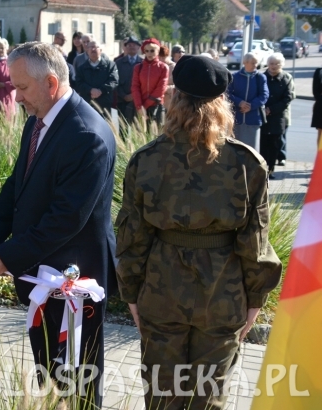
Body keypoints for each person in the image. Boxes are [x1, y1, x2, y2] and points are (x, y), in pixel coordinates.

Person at [116, 55, 282, 410]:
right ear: (221, 104)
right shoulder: (246, 163)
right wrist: (255, 300)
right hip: (223, 296)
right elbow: (256, 241)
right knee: (208, 400)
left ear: (173, 100)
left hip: (162, 292)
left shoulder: (146, 160)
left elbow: (132, 236)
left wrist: (131, 292)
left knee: (162, 398)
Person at [0, 43, 116, 408]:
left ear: (51, 83)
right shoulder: (39, 120)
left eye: (22, 88)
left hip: (73, 283)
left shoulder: (86, 135)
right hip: (42, 275)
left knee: (77, 380)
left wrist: (8, 255)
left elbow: (66, 218)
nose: (16, 96)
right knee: (50, 376)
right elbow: (18, 184)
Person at [260, 53, 294, 178]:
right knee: (263, 143)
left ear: (282, 65)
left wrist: (272, 109)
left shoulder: (287, 78)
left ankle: (271, 169)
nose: (274, 66)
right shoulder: (261, 77)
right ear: (267, 64)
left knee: (275, 144)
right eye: (271, 64)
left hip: (278, 116)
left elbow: (288, 98)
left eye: (277, 64)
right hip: (262, 115)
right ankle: (262, 170)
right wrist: (264, 109)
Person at [227, 53, 268, 150]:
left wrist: (251, 105)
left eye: (256, 63)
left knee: (252, 149)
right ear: (245, 63)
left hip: (253, 119)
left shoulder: (260, 78)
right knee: (236, 148)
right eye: (253, 63)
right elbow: (227, 93)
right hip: (237, 118)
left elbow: (264, 95)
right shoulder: (235, 77)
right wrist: (239, 102)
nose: (255, 65)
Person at [75, 39, 118, 119]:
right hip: (88, 104)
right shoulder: (81, 68)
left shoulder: (110, 66)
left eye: (95, 47)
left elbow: (114, 81)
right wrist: (90, 90)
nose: (93, 49)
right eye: (90, 47)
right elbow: (78, 83)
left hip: (105, 105)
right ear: (87, 51)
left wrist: (101, 90)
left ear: (101, 50)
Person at [131, 38, 169, 129]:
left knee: (158, 137)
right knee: (141, 136)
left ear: (158, 51)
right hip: (140, 106)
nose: (149, 53)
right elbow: (135, 87)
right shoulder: (138, 68)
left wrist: (145, 106)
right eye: (146, 51)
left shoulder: (163, 67)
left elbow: (161, 88)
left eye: (152, 50)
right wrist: (139, 107)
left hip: (156, 106)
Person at [114, 37, 142, 126]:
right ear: (125, 47)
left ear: (138, 47)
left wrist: (134, 95)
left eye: (134, 45)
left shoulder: (143, 63)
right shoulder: (118, 63)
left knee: (137, 128)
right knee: (122, 128)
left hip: (137, 100)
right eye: (129, 45)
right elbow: (115, 81)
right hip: (122, 100)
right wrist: (123, 95)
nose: (131, 47)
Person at [313, 67, 322, 146]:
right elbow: (316, 92)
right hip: (321, 106)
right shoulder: (319, 72)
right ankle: (320, 156)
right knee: (321, 132)